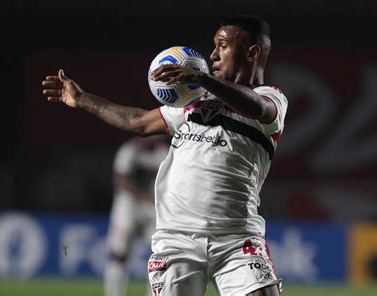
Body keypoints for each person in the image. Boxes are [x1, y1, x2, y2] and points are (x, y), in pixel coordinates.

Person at [42, 15, 287, 296]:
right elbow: (139, 122)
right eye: (214, 46)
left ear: (252, 52)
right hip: (176, 239)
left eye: (222, 46)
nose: (213, 55)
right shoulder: (194, 104)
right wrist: (82, 99)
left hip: (237, 237)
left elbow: (257, 108)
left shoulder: (271, 98)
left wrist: (203, 79)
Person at [105, 136, 168, 296]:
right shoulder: (129, 151)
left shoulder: (164, 152)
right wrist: (145, 196)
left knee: (158, 255)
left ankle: (153, 293)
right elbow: (121, 181)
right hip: (128, 206)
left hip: (153, 207)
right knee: (119, 253)